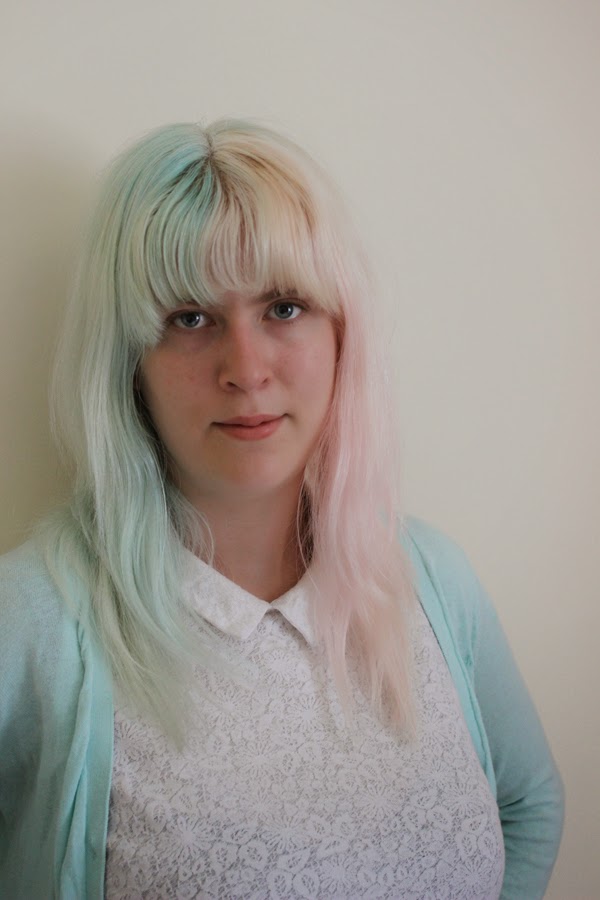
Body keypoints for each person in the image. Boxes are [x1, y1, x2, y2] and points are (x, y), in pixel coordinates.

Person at [0, 120, 563, 900]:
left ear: (342, 335)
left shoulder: (431, 577)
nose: (247, 368)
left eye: (285, 307)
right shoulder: (35, 621)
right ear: (129, 363)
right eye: (189, 318)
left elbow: (528, 806)